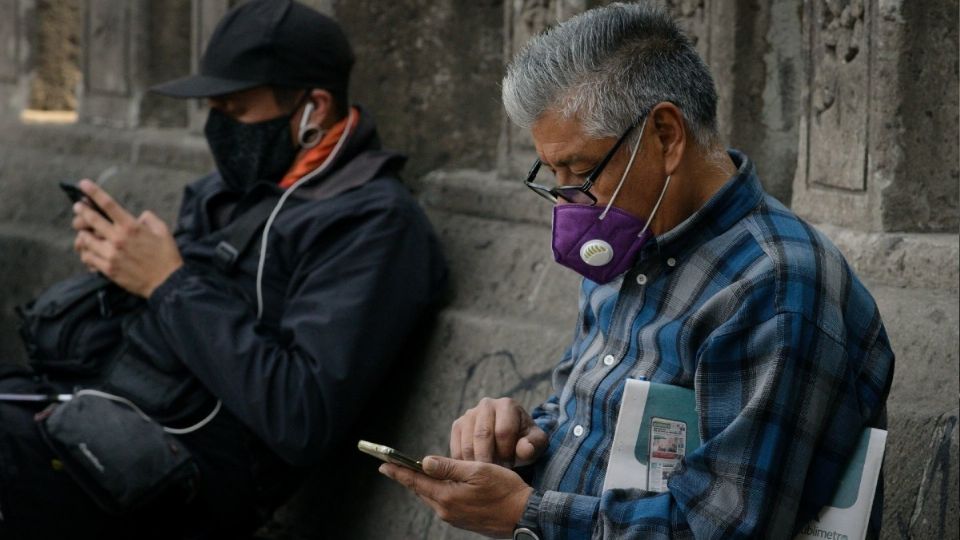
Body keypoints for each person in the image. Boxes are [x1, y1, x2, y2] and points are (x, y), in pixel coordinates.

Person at [380, 3, 893, 539]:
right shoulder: (629, 234)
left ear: (667, 135)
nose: (569, 205)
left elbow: (720, 528)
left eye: (581, 170)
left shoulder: (774, 288)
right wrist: (524, 437)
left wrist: (524, 513)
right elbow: (584, 411)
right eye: (554, 176)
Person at [0, 0, 446, 538]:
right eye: (213, 108)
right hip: (83, 411)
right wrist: (120, 263)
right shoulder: (225, 190)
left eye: (235, 111)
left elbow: (299, 416)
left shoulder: (373, 222)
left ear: (315, 107)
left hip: (172, 473)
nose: (218, 128)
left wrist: (166, 282)